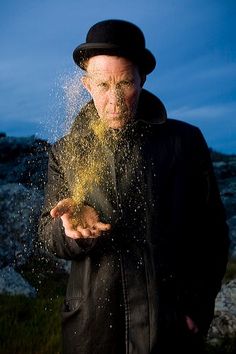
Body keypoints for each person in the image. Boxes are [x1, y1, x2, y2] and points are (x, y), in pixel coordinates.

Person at [38, 19, 229, 354]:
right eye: (102, 85)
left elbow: (212, 233)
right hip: (91, 331)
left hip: (167, 329)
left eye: (125, 83)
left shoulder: (185, 142)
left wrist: (198, 305)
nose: (114, 100)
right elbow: (48, 233)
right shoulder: (65, 152)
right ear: (86, 84)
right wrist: (70, 233)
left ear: (142, 79)